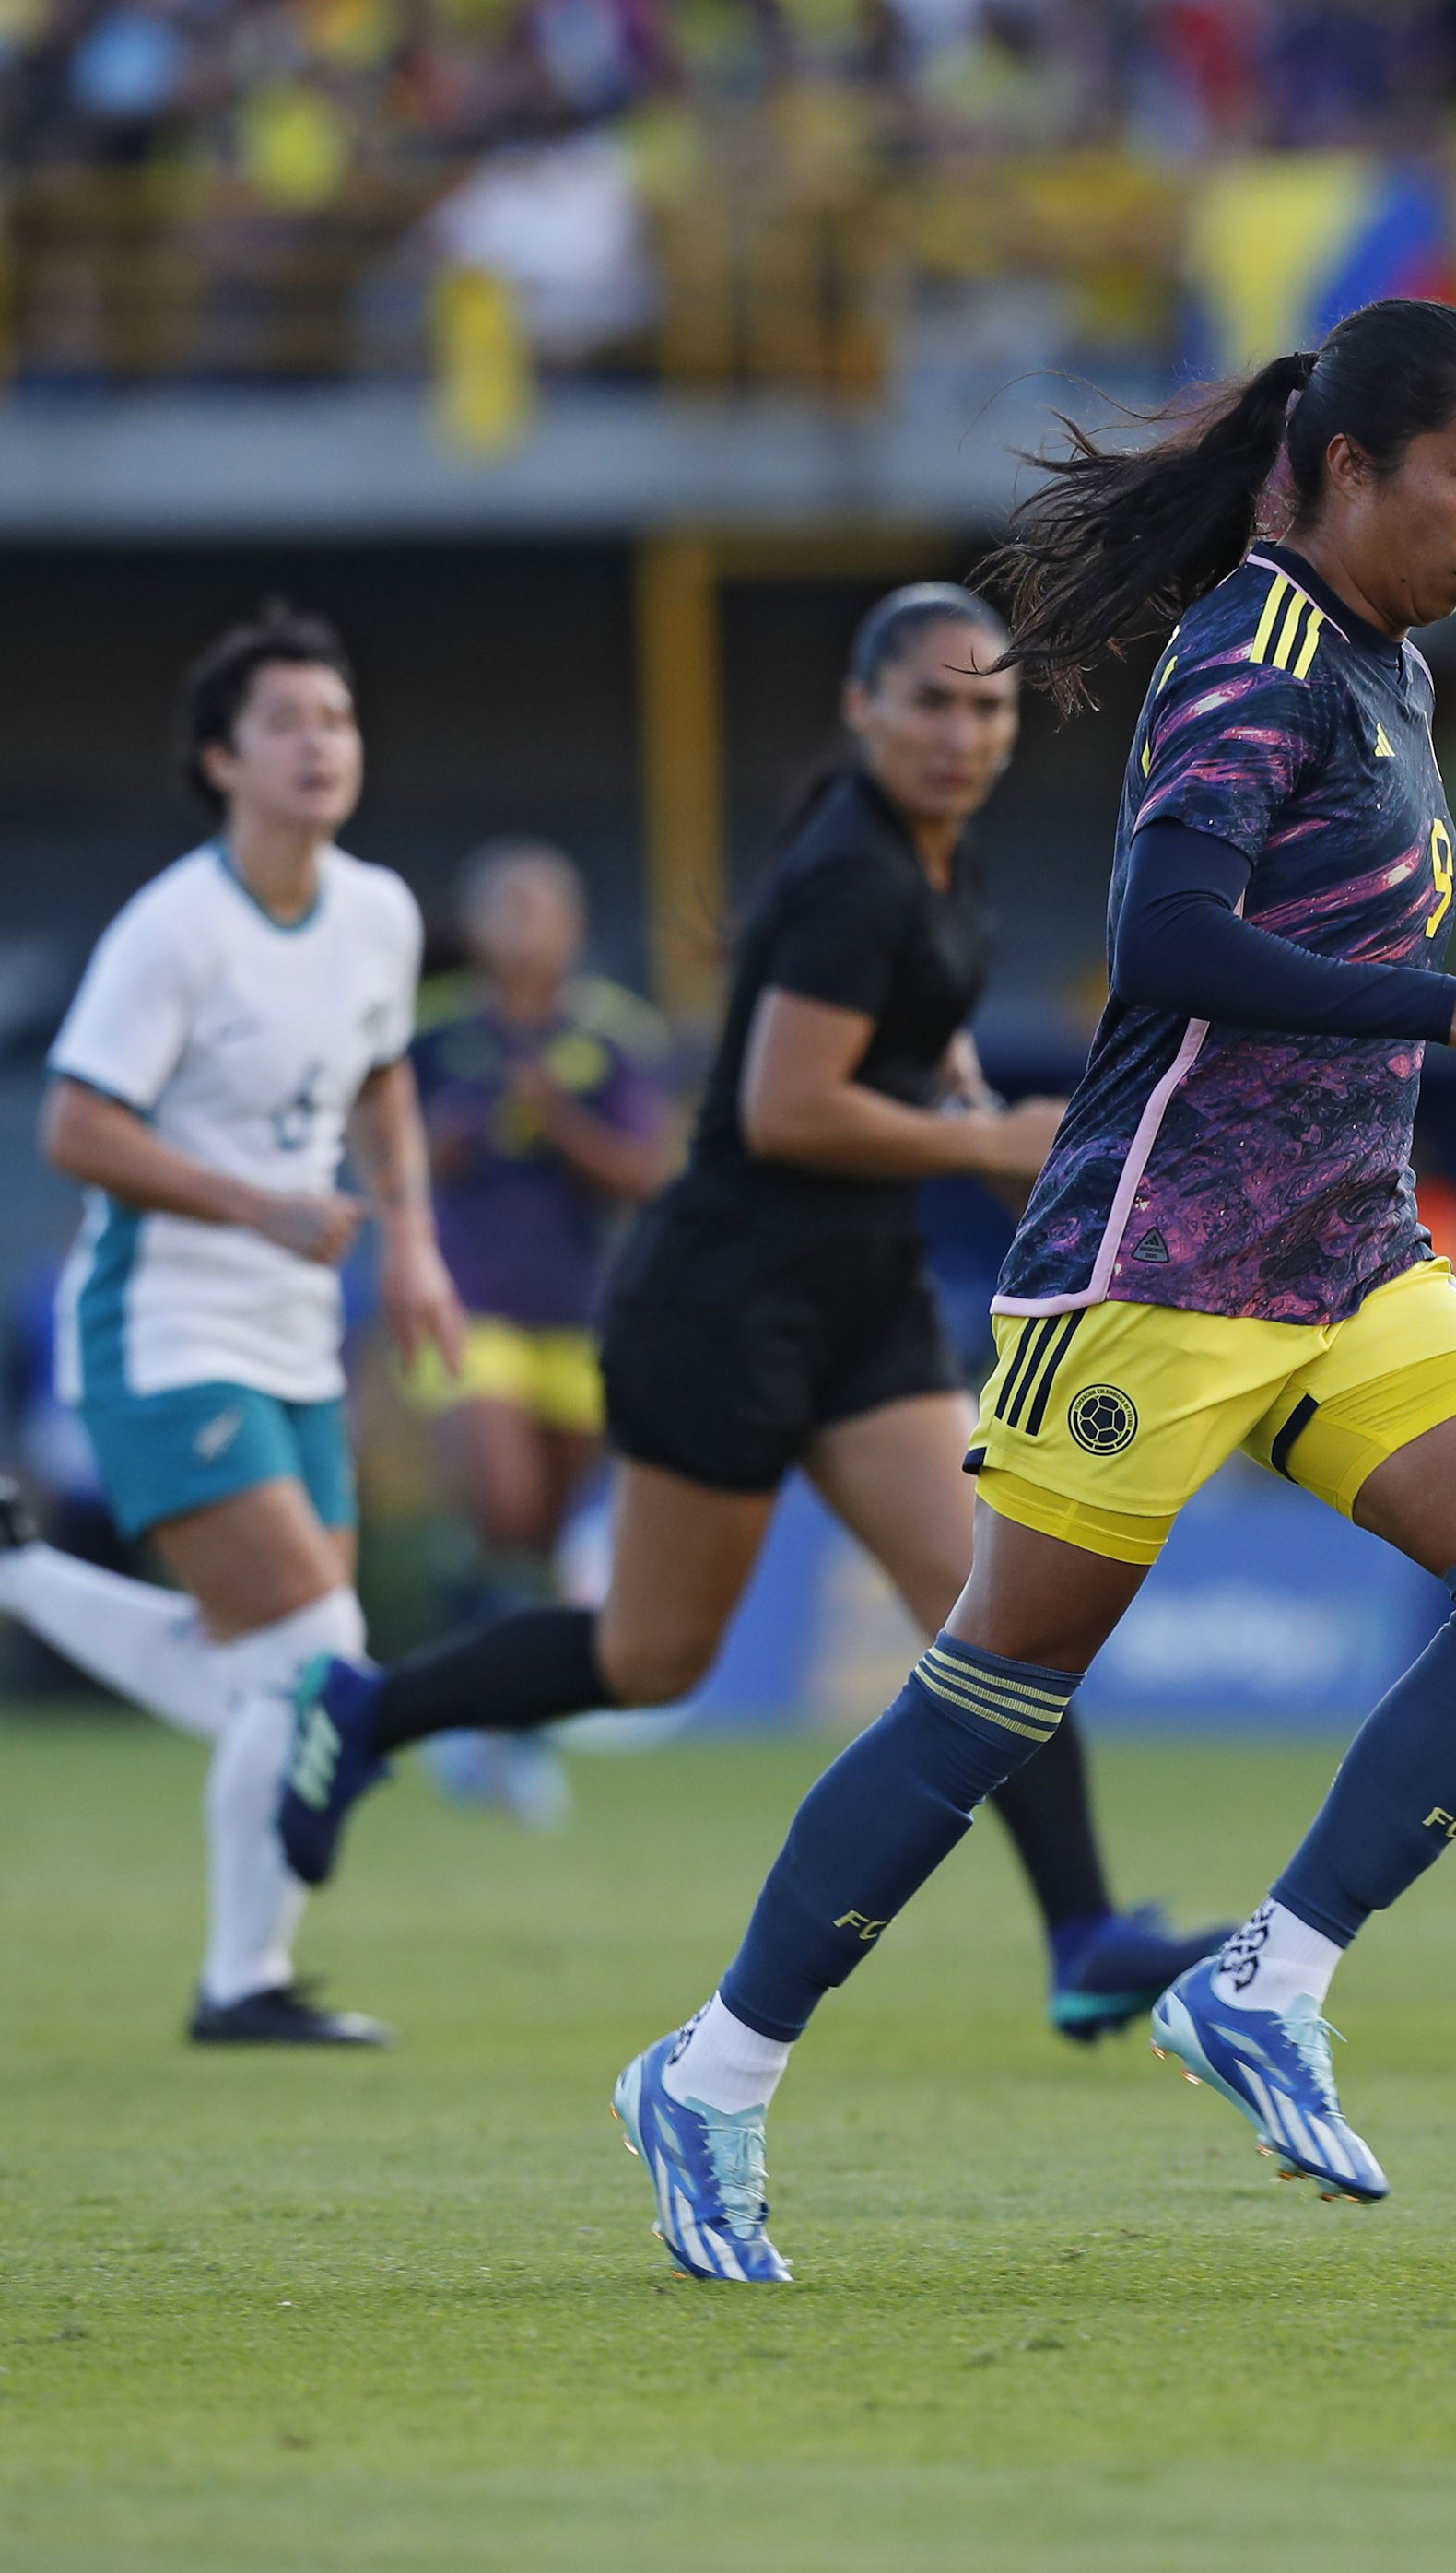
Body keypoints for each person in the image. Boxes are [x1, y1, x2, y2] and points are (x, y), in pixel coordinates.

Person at [611, 299, 1456, 2283]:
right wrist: (1449, 1004)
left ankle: (1269, 1975)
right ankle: (711, 2073)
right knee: (988, 1701)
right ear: (1345, 469)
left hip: (1340, 1253)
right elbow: (1163, 941)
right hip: (1161, 1269)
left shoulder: (1387, 663)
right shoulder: (1249, 660)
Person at [276, 583, 1232, 2043]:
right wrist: (983, 1141)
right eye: (930, 701)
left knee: (1000, 1613)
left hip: (857, 1302)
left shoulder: (929, 859)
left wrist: (959, 1085)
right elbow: (787, 1108)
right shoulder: (855, 871)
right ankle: (361, 1716)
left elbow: (903, 1028)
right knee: (650, 1657)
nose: (963, 730)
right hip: (726, 1302)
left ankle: (1086, 1935)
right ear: (862, 711)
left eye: (986, 704)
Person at [0, 603, 464, 2049]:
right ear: (218, 761)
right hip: (161, 1326)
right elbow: (73, 1125)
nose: (321, 745)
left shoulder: (376, 911)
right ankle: (237, 1969)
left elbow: (382, 1077)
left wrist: (414, 1241)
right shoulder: (173, 928)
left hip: (297, 1327)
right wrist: (251, 1207)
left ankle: (241, 1977)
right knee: (317, 1651)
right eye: (287, 724)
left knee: (272, 1676)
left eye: (338, 719)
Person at [400, 839, 669, 1827]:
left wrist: (557, 1122)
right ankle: (468, 1724)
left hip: (577, 1311)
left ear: (574, 926)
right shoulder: (432, 1035)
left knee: (543, 1535)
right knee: (503, 1495)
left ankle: (500, 1728)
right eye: (503, 905)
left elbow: (646, 1172)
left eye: (538, 905)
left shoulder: (612, 1036)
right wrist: (456, 1138)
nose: (522, 923)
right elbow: (394, 1157)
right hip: (468, 1305)